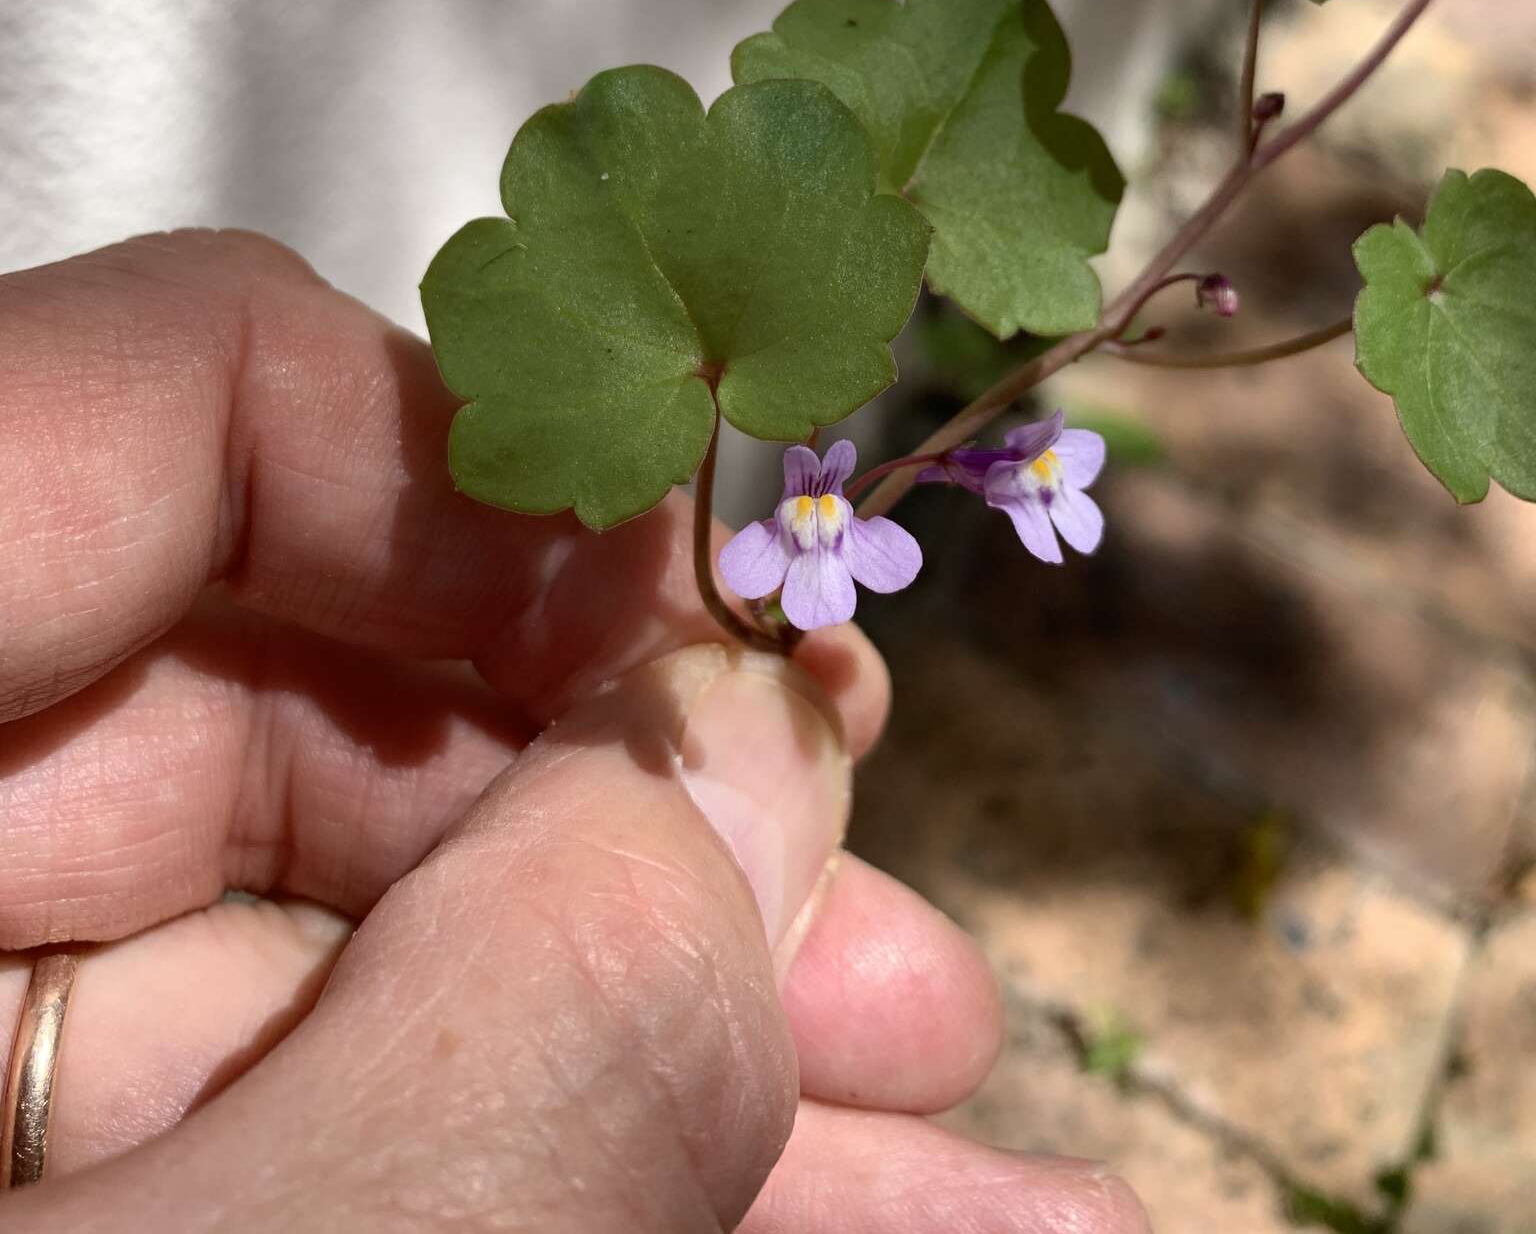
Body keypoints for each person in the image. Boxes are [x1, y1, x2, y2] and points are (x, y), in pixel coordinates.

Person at [0, 229, 1149, 1230]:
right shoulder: (788, 536)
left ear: (833, 493)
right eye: (809, 492)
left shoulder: (829, 534)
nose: (809, 504)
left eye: (819, 494)